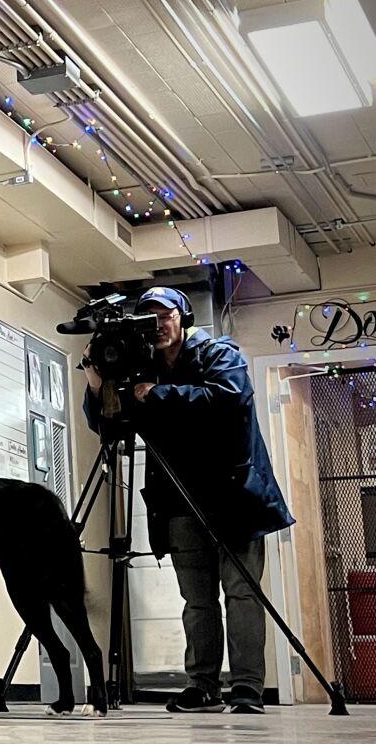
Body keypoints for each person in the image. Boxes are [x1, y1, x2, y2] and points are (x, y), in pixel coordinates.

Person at [82, 287, 292, 714]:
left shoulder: (218, 353)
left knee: (241, 594)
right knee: (197, 600)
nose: (156, 326)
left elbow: (230, 398)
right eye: (147, 319)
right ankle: (203, 686)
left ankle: (248, 688)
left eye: (164, 315)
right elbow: (110, 427)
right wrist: (96, 381)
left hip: (233, 498)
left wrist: (155, 394)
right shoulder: (144, 368)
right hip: (177, 501)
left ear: (183, 317)